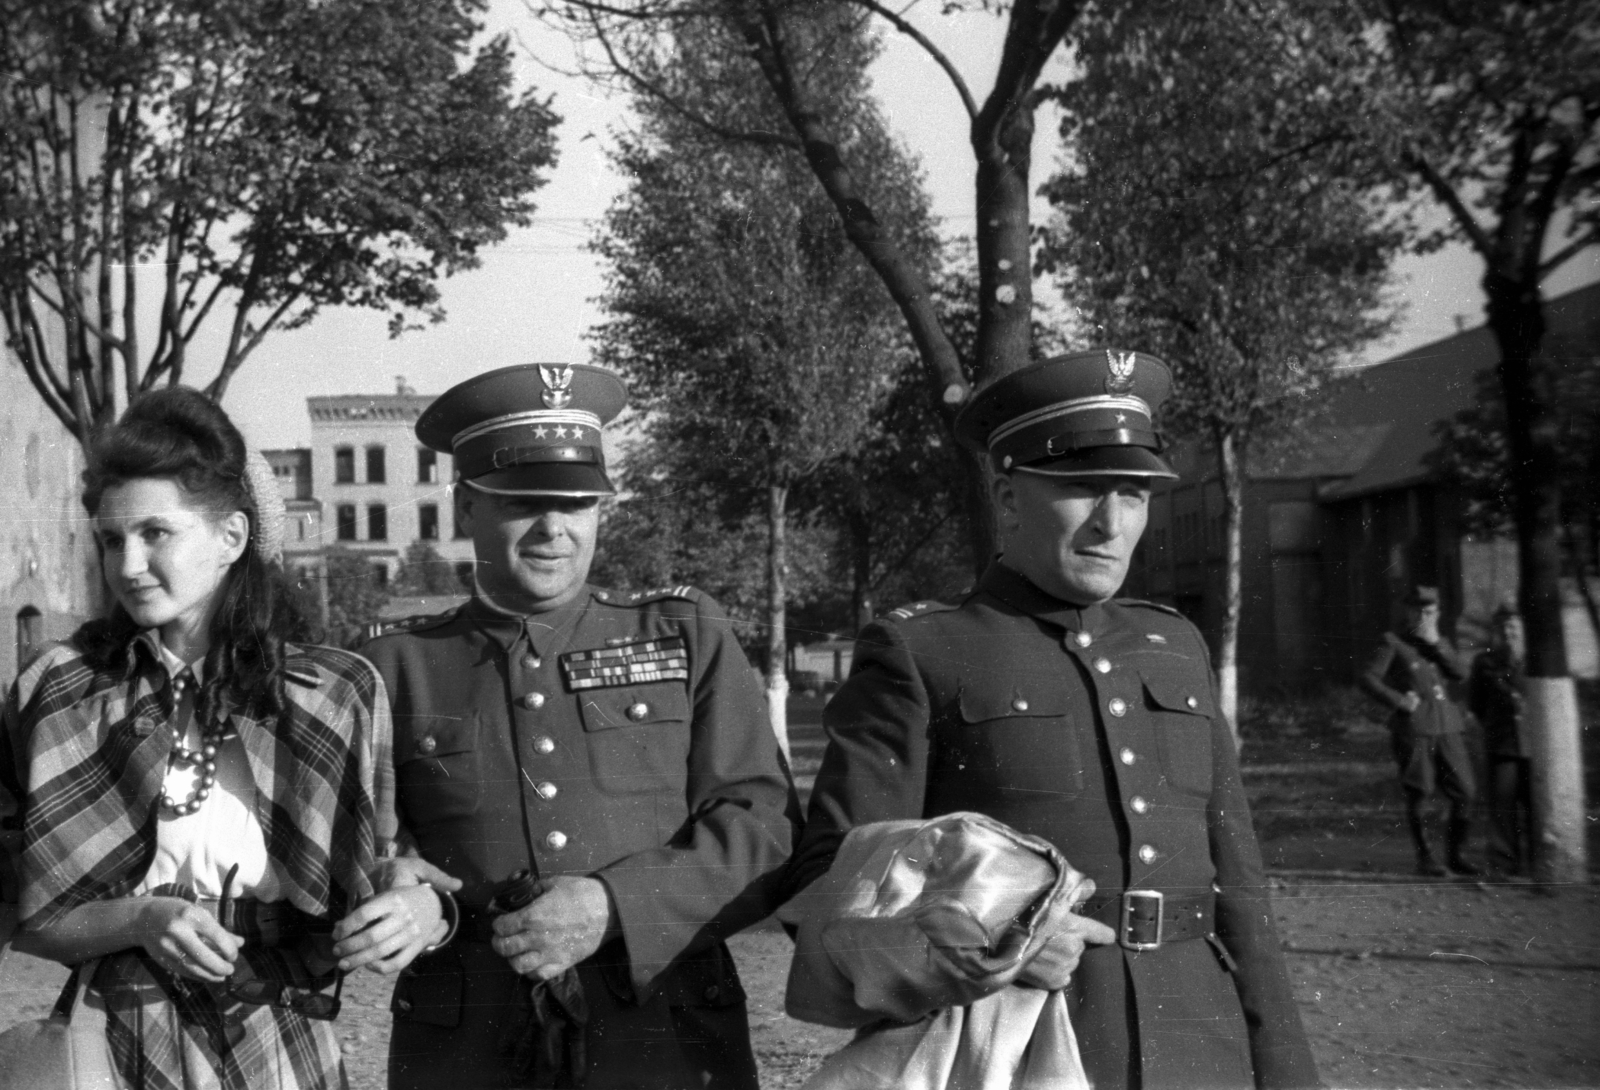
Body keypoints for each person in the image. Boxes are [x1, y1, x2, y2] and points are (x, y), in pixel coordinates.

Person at [788, 350, 1320, 1090]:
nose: (1112, 523)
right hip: (1022, 1051)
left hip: (1202, 1044)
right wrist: (996, 944)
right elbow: (834, 882)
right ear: (1008, 500)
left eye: (1133, 494)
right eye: (1081, 489)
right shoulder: (924, 650)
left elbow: (1243, 890)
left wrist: (1288, 1074)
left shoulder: (1173, 646)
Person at [361, 362, 798, 1089]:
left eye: (577, 503)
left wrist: (616, 906)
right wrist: (392, 883)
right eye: (523, 502)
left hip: (664, 1042)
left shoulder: (683, 633)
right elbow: (353, 852)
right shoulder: (392, 665)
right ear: (466, 507)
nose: (554, 529)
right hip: (471, 1051)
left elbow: (767, 827)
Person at [0, 388, 446, 1089]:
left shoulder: (332, 694)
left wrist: (415, 905)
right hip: (114, 1036)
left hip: (280, 1028)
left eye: (157, 533)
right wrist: (141, 919)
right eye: (113, 540)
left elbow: (399, 865)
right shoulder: (61, 692)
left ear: (232, 538)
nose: (130, 564)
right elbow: (24, 914)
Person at [1359, 585, 1479, 877]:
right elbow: (1368, 678)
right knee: (1420, 792)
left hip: (1448, 727)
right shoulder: (1393, 642)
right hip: (1415, 729)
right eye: (1417, 611)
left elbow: (1461, 674)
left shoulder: (1441, 643)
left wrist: (1436, 642)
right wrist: (1400, 701)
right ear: (1408, 612)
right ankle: (1425, 858)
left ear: (1437, 614)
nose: (1422, 617)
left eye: (1429, 612)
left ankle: (1456, 855)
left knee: (1466, 790)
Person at [1469, 604, 1530, 878]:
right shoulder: (1484, 662)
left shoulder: (1536, 661)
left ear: (1523, 629)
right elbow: (1477, 704)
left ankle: (1538, 862)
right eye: (1504, 627)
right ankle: (1505, 865)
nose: (1509, 633)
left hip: (1534, 746)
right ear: (1496, 631)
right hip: (1502, 743)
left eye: (1514, 626)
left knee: (1535, 805)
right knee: (1502, 807)